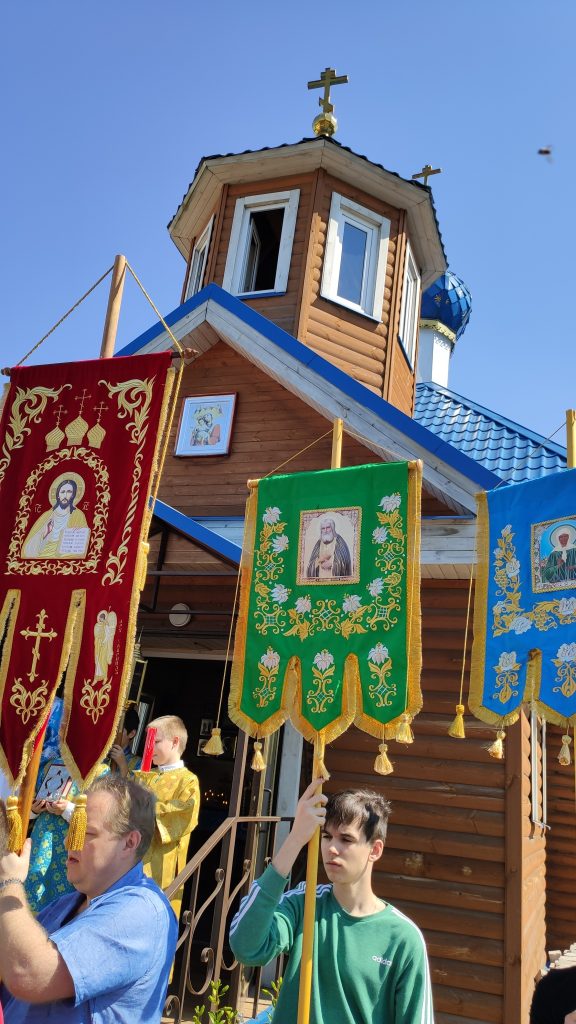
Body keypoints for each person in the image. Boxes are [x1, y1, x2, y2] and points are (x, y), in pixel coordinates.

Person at [229, 780, 434, 1024]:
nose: (332, 848)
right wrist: (295, 839)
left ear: (375, 850)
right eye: (326, 836)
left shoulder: (403, 938)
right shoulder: (304, 904)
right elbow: (246, 946)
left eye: (346, 840)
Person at [0, 775, 177, 1023]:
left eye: (86, 832)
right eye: (72, 829)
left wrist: (10, 884)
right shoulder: (65, 903)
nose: (67, 842)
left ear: (129, 842)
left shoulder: (142, 911)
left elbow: (29, 974)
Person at [134, 715, 200, 918]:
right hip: (132, 856)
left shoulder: (188, 780)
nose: (149, 747)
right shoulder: (145, 775)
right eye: (147, 742)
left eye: (156, 741)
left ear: (174, 742)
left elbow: (186, 812)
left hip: (162, 861)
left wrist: (146, 810)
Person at [22, 477, 89, 559]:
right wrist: (45, 534)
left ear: (73, 495)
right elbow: (28, 549)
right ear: (58, 495)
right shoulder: (47, 515)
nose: (65, 495)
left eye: (69, 492)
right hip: (44, 552)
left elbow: (82, 543)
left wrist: (77, 534)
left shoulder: (78, 515)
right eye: (62, 492)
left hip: (65, 555)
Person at [108, 707, 142, 776]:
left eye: (117, 730)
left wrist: (123, 766)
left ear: (131, 733)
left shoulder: (138, 764)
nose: (112, 734)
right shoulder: (102, 757)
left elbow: (136, 786)